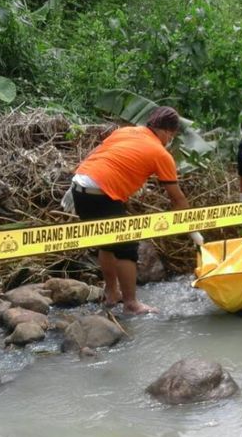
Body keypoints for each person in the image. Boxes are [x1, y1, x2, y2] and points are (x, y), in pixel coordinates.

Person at [71, 106, 203, 315]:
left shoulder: (125, 131)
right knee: (127, 247)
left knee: (106, 243)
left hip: (79, 186)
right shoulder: (160, 153)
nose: (170, 139)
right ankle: (131, 304)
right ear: (166, 131)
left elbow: (107, 158)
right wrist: (188, 224)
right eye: (171, 135)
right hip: (101, 191)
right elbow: (176, 198)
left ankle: (112, 293)